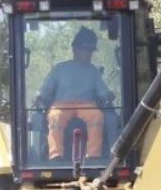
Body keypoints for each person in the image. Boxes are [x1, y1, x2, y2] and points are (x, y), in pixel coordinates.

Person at [34, 26, 115, 160]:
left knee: (97, 115)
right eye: (86, 50)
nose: (89, 54)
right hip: (62, 105)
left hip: (86, 104)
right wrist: (39, 95)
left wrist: (108, 94)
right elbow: (46, 89)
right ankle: (56, 155)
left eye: (90, 51)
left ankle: (93, 156)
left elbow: (102, 90)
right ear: (75, 49)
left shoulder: (93, 71)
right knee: (54, 116)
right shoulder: (60, 69)